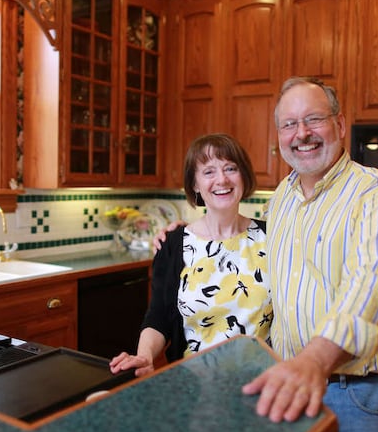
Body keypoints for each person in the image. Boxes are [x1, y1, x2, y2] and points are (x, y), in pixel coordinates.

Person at [240, 77, 378, 432]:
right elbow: (250, 256)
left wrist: (312, 362)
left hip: (358, 397)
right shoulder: (281, 197)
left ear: (339, 125)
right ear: (279, 136)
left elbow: (370, 288)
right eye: (289, 124)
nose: (301, 133)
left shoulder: (375, 192)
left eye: (313, 119)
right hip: (292, 392)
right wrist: (185, 235)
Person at [110, 133, 273, 377]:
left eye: (230, 168)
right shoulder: (174, 244)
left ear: (244, 175)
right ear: (195, 184)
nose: (222, 179)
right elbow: (158, 318)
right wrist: (144, 356)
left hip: (265, 385)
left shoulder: (272, 237)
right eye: (208, 172)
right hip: (194, 385)